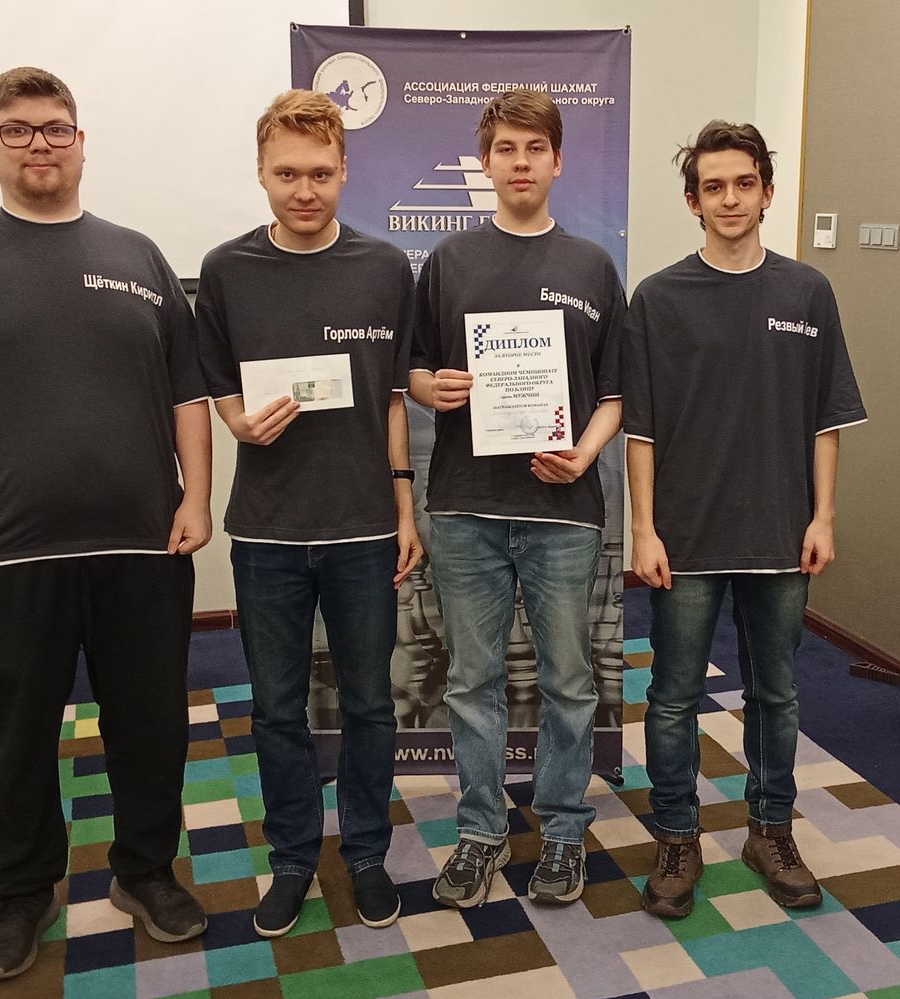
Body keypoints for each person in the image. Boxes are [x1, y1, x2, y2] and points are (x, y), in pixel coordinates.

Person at [0, 67, 212, 980]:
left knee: (150, 728)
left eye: (55, 127)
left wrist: (196, 497)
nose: (39, 144)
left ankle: (145, 871)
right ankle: (22, 893)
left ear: (81, 141)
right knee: (10, 742)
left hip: (141, 549)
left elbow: (186, 393)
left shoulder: (139, 257)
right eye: (16, 130)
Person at [623, 120, 867, 919]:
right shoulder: (657, 297)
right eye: (713, 186)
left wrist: (823, 515)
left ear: (765, 191)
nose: (729, 198)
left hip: (780, 533)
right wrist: (643, 528)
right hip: (685, 536)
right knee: (672, 697)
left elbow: (825, 418)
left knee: (775, 694)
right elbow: (640, 429)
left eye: (743, 183)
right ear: (692, 201)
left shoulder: (807, 292)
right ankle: (677, 837)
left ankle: (770, 831)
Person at [195, 89, 421, 937]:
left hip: (364, 527)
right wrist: (237, 422)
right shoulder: (225, 270)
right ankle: (292, 857)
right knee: (276, 707)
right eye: (286, 173)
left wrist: (404, 508)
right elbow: (215, 382)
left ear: (344, 171)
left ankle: (365, 851)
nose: (304, 189)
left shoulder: (384, 268)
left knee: (369, 704)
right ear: (260, 172)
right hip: (267, 531)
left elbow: (393, 401)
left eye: (320, 173)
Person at [408, 90, 625, 909]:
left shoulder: (591, 265)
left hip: (563, 513)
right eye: (505, 148)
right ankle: (480, 830)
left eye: (535, 148)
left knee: (569, 680)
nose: (521, 162)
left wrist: (586, 453)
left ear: (557, 160)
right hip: (465, 506)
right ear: (485, 162)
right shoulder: (448, 261)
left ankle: (563, 830)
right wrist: (434, 388)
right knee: (472, 681)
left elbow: (615, 391)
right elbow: (414, 368)